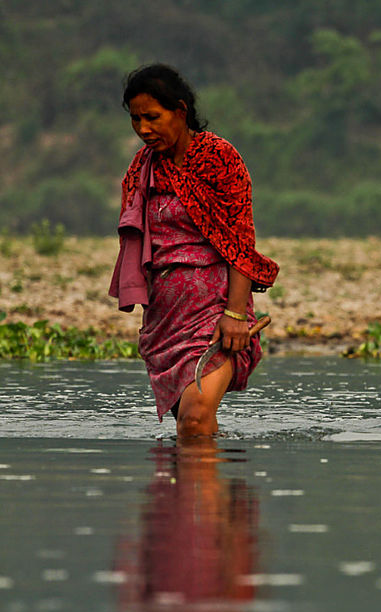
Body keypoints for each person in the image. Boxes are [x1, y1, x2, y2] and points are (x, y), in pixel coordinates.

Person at [109, 64, 278, 438]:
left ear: (181, 112)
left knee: (195, 420)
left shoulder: (219, 158)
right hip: (164, 319)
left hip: (214, 310)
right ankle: (220, 494)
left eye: (153, 117)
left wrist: (235, 314)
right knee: (192, 431)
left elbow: (239, 242)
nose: (143, 129)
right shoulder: (142, 168)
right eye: (136, 120)